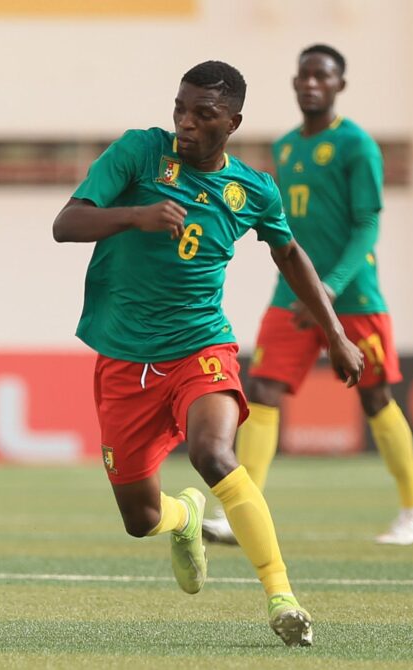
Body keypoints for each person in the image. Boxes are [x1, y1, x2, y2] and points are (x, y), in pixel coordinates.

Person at [52, 60, 364, 648]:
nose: (186, 124)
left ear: (233, 122)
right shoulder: (141, 153)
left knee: (213, 452)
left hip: (201, 346)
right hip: (124, 357)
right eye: (181, 109)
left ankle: (282, 596)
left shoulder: (252, 189)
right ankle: (185, 519)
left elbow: (290, 253)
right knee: (139, 520)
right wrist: (136, 216)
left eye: (203, 115)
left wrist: (335, 332)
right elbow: (67, 224)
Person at [201, 45, 413, 547]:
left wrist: (328, 288)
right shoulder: (285, 147)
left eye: (322, 77)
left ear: (338, 86)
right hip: (291, 296)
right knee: (262, 390)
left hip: (352, 297)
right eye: (304, 75)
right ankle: (244, 510)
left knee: (375, 397)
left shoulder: (357, 146)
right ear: (294, 82)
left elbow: (367, 225)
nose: (311, 84)